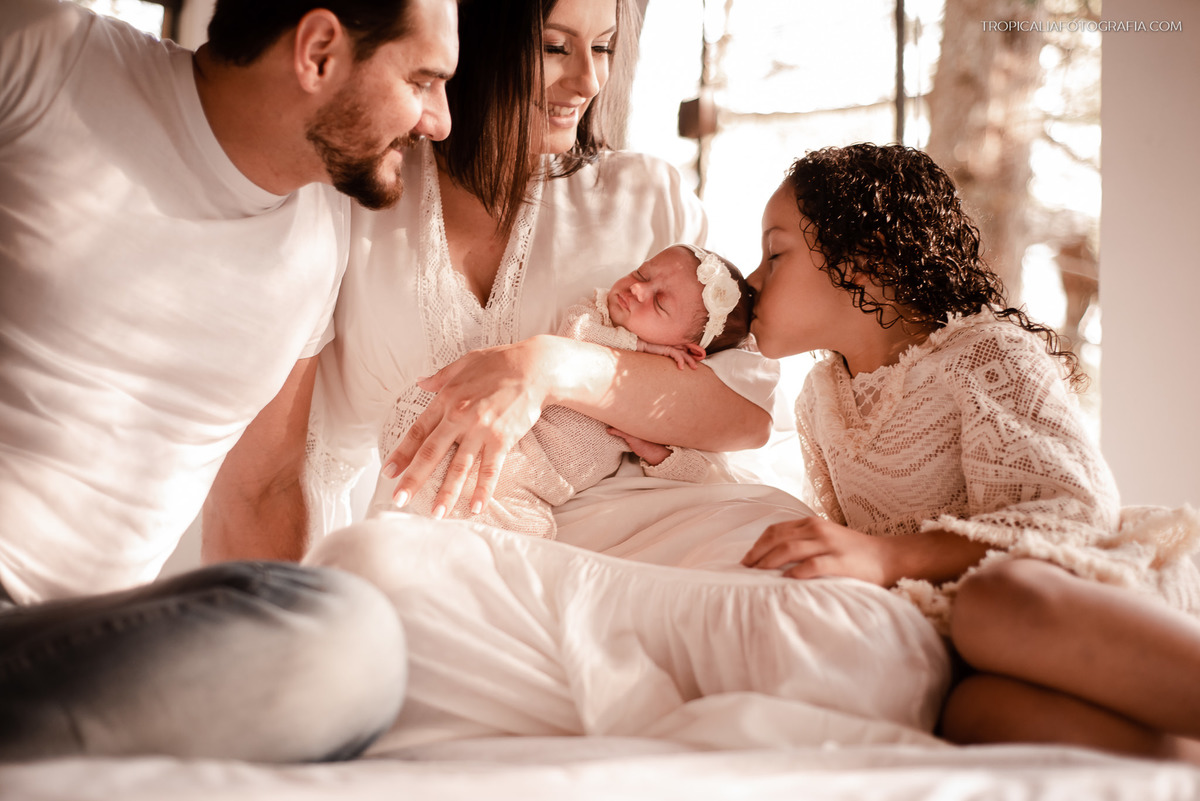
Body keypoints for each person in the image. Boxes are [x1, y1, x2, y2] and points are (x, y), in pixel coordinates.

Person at [302, 0, 952, 755]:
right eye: (554, 45)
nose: (586, 80)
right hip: (467, 570)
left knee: (873, 640)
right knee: (372, 574)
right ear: (473, 40)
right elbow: (276, 468)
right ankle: (651, 696)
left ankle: (619, 691)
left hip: (658, 532)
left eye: (604, 48)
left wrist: (550, 366)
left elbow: (739, 413)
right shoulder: (360, 196)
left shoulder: (648, 195)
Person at [0, 0, 455, 761]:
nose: (436, 120)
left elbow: (264, 485)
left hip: (89, 649)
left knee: (351, 642)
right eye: (424, 79)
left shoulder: (320, 235)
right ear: (317, 52)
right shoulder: (47, 58)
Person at [739, 142, 1200, 761]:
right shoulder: (820, 401)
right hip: (972, 635)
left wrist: (887, 556)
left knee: (994, 598)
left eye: (775, 253)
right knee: (970, 712)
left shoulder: (983, 354)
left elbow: (1076, 512)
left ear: (867, 261)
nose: (750, 279)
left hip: (1069, 595)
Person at [368, 243, 756, 538]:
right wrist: (642, 347)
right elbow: (576, 333)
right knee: (443, 467)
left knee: (528, 533)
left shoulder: (662, 392)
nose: (638, 290)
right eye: (642, 274)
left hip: (538, 482)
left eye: (659, 302)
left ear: (689, 351)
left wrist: (657, 454)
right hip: (518, 443)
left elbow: (698, 469)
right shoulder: (597, 312)